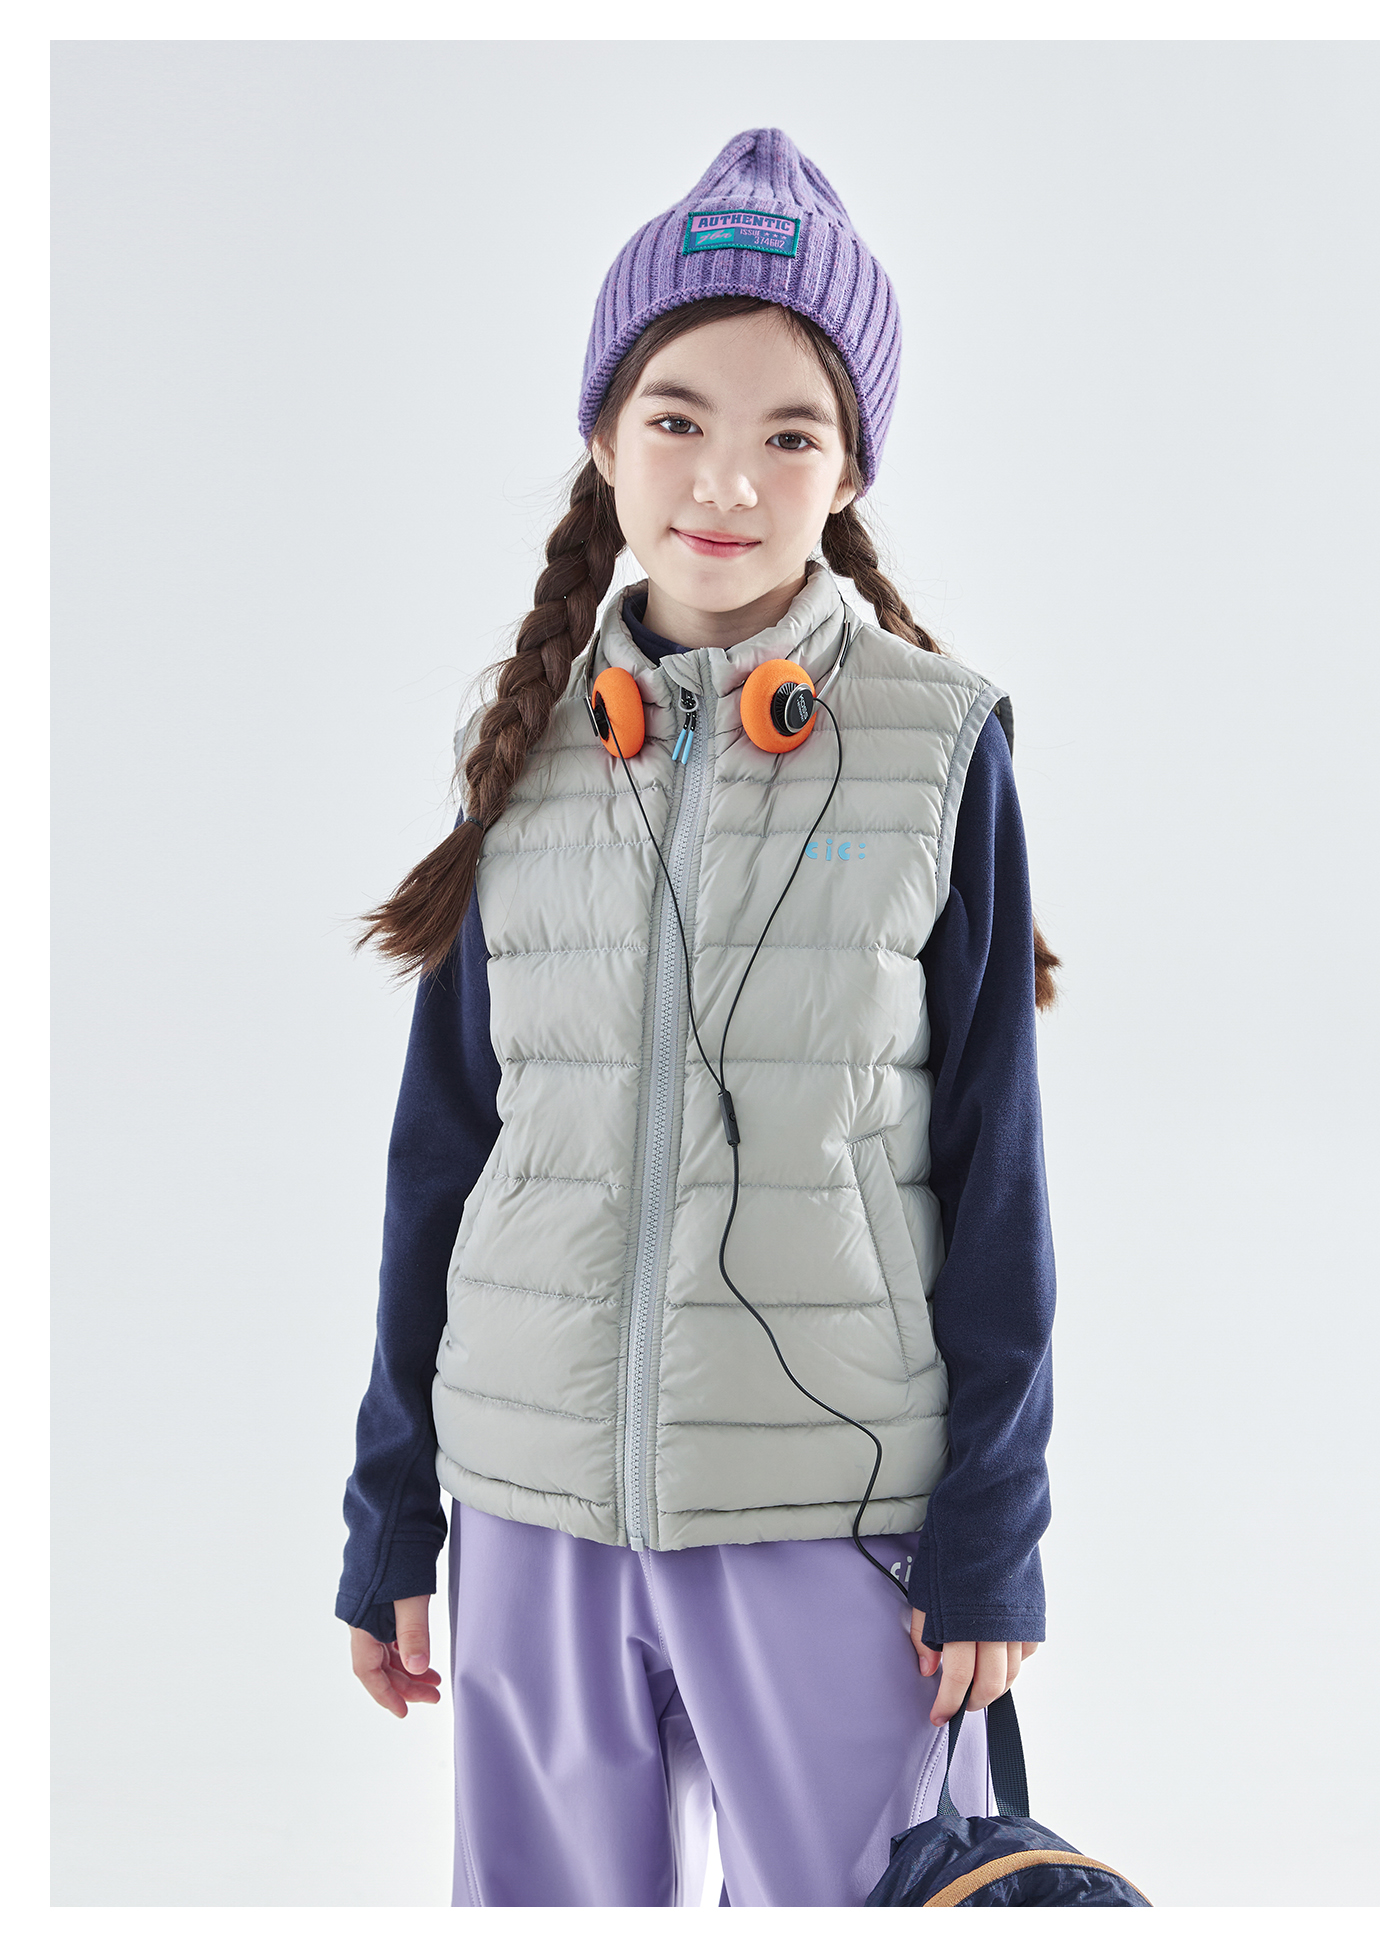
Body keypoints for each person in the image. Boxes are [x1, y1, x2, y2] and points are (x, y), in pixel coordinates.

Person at [336, 127, 1059, 1908]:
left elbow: (998, 1173)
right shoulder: (525, 748)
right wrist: (393, 1506)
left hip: (832, 1516)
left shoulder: (940, 745)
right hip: (530, 1512)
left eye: (790, 433)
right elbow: (443, 1156)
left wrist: (993, 1539)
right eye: (676, 417)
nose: (726, 477)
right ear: (603, 438)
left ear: (851, 469)